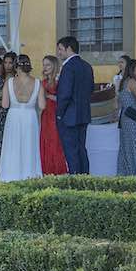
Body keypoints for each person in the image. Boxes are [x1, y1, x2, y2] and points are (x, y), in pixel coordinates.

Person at [0, 53, 43, 182]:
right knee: (29, 147)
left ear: (16, 67)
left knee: (12, 147)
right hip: (30, 117)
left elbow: (5, 105)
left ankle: (10, 177)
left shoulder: (9, 82)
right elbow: (42, 105)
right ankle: (30, 177)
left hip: (14, 116)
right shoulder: (38, 83)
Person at [53, 35, 93, 176]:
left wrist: (58, 114)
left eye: (60, 49)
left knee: (71, 150)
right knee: (81, 148)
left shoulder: (68, 67)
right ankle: (85, 178)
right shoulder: (87, 66)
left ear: (69, 48)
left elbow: (64, 94)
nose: (58, 52)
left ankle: (75, 179)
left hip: (69, 116)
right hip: (84, 114)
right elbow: (90, 90)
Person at [36, 54, 67, 175]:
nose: (45, 67)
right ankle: (46, 171)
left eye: (48, 64)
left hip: (56, 114)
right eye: (44, 64)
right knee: (45, 141)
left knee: (55, 142)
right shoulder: (42, 82)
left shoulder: (59, 81)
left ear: (54, 66)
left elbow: (63, 99)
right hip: (45, 115)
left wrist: (47, 95)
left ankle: (57, 171)